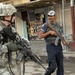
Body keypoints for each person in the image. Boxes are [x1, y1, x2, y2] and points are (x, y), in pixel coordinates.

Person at [39, 10, 64, 75]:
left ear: (55, 16)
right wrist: (49, 32)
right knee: (52, 66)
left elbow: (61, 35)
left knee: (60, 66)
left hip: (58, 47)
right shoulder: (45, 25)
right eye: (49, 16)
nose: (50, 17)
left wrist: (63, 41)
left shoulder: (59, 26)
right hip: (51, 47)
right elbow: (40, 36)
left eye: (51, 16)